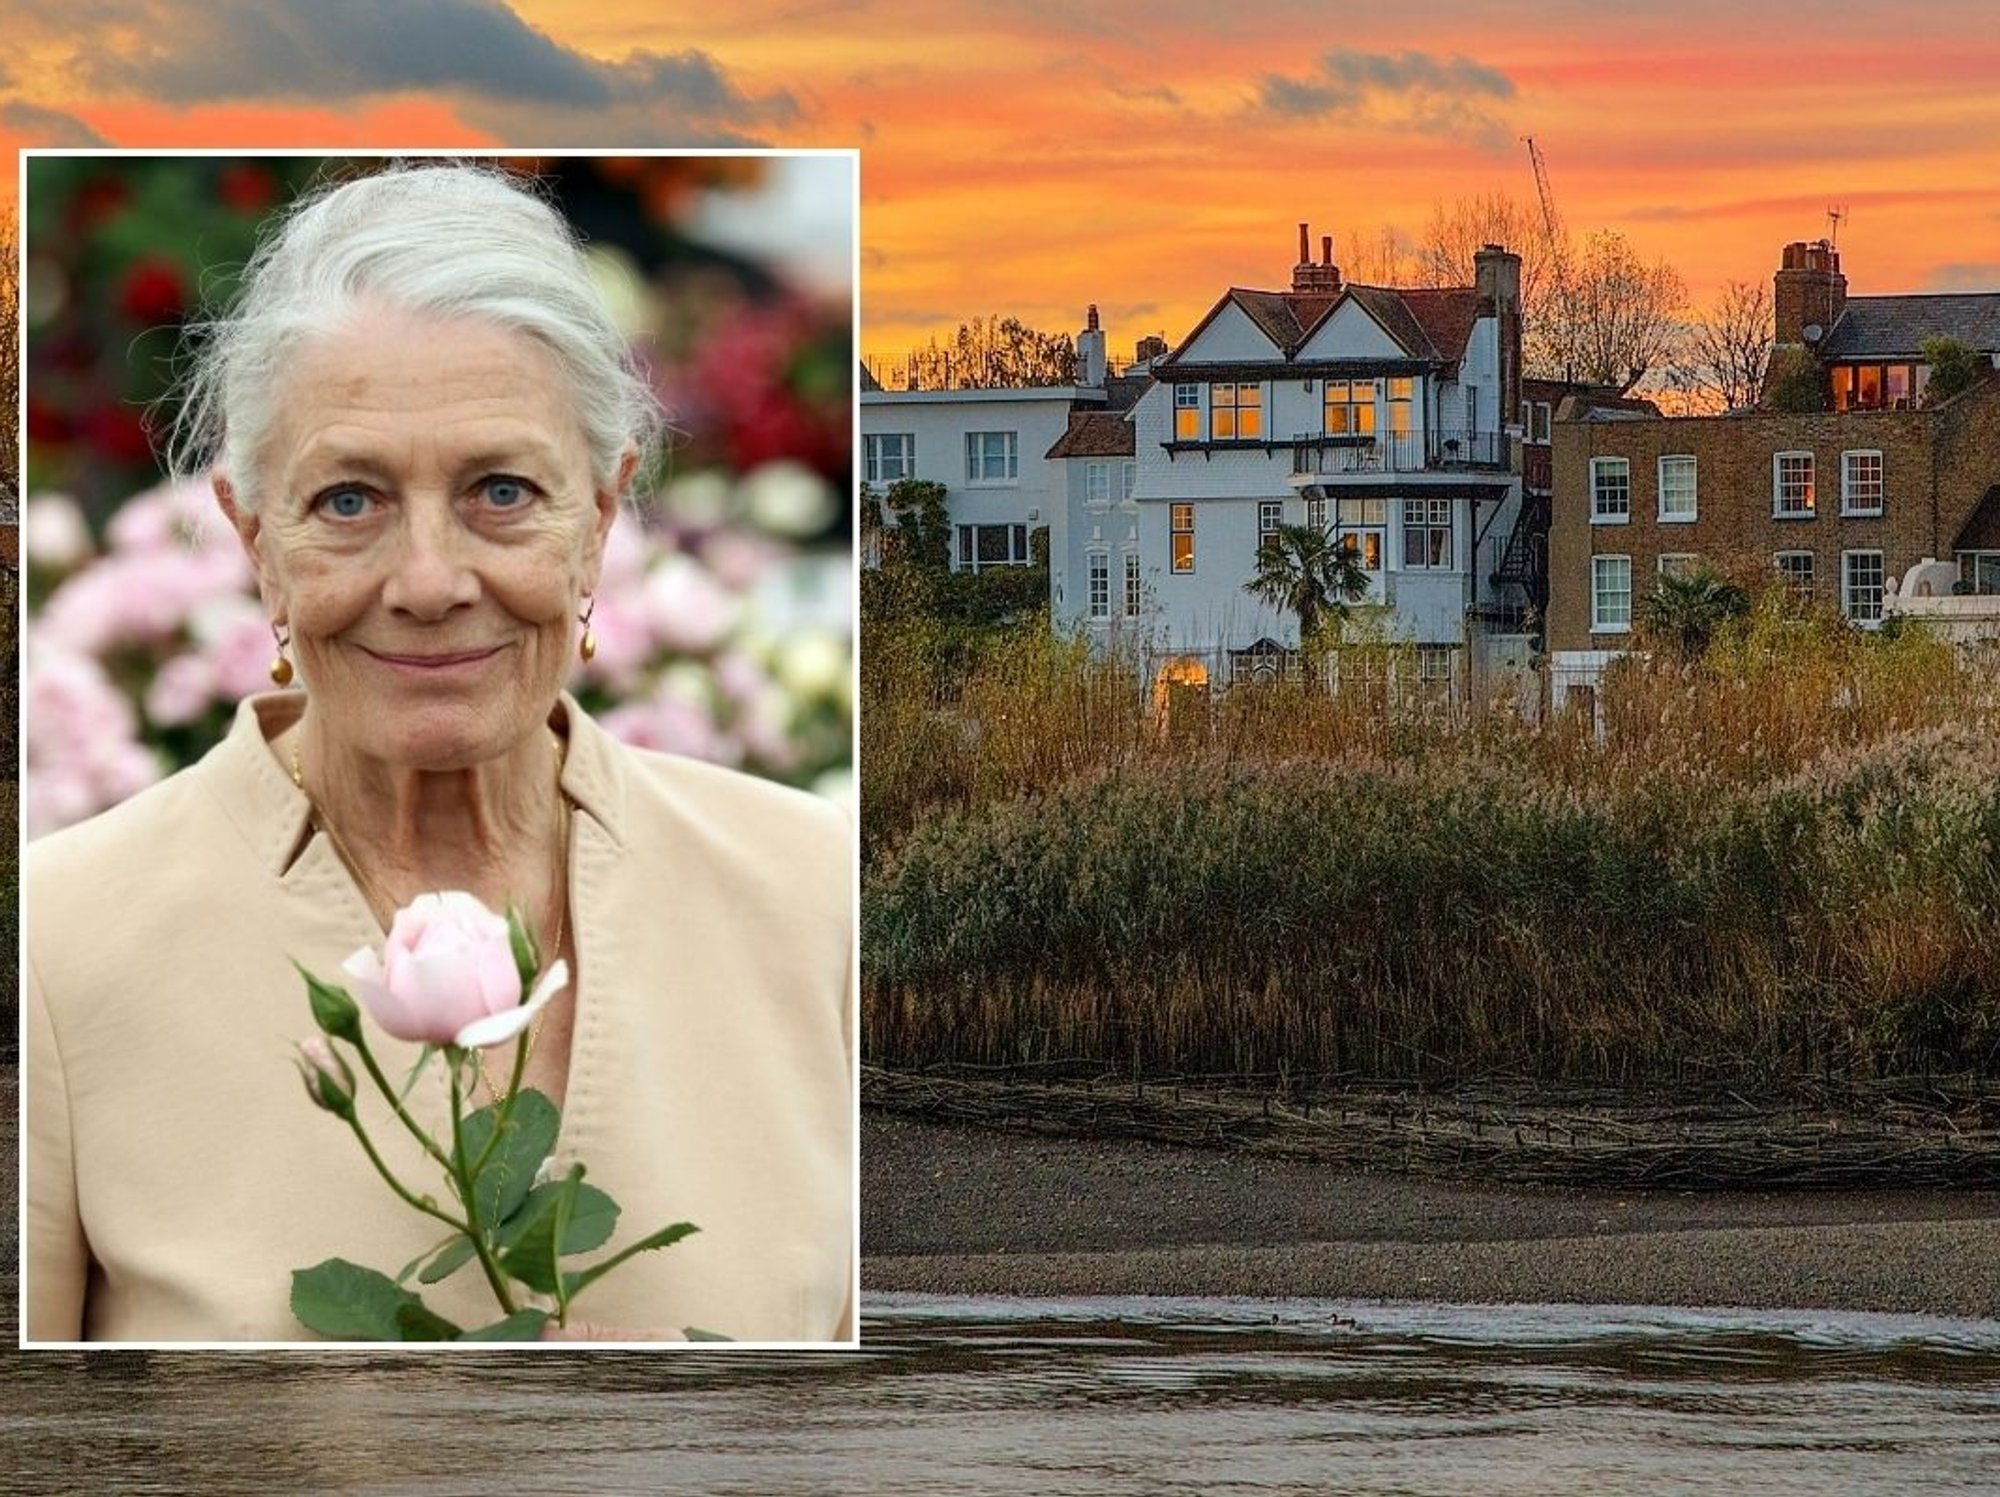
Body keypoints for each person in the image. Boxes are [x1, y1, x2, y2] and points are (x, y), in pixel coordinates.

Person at [24, 161, 854, 1343]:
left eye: (501, 491)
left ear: (602, 520)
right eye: (349, 502)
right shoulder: (63, 947)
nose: (427, 583)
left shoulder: (809, 891)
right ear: (256, 543)